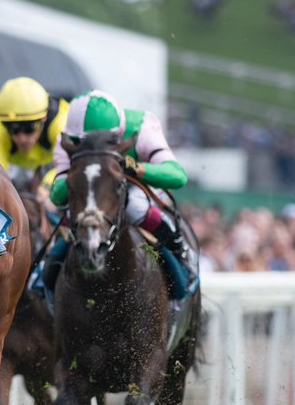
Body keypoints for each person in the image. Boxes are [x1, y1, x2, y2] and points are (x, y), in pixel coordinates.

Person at [43, 90, 196, 298]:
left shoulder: (142, 127)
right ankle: (46, 279)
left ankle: (180, 250)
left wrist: (139, 169)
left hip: (138, 185)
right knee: (74, 215)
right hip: (91, 191)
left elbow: (178, 176)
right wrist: (75, 176)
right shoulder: (68, 138)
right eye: (85, 144)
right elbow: (57, 195)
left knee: (135, 206)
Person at [0, 77, 69, 190]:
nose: (21, 139)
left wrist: (48, 186)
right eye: (13, 129)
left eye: (29, 128)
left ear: (44, 119)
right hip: (17, 166)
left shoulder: (60, 123)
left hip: (54, 162)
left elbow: (70, 163)